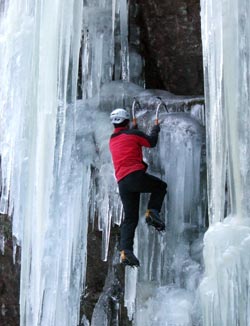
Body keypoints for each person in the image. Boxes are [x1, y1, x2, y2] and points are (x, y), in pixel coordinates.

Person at [109, 108, 167, 267]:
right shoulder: (133, 134)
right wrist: (155, 128)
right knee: (161, 187)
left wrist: (133, 128)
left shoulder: (112, 140)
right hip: (135, 176)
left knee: (130, 218)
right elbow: (151, 142)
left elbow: (127, 138)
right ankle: (152, 211)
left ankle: (125, 250)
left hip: (123, 183)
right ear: (127, 121)